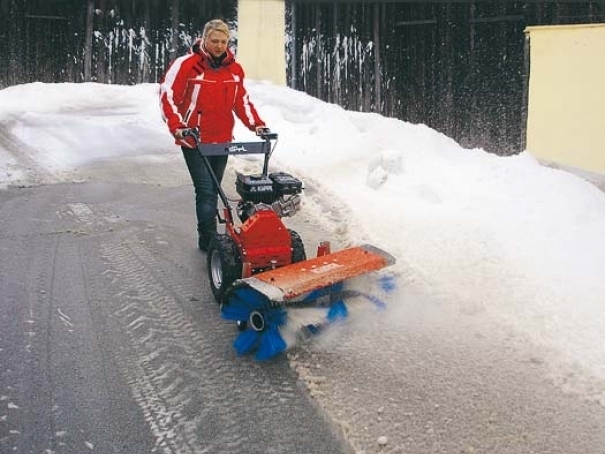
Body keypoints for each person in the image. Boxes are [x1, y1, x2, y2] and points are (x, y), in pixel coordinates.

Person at [159, 18, 268, 251]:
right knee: (206, 191)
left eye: (223, 41)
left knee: (216, 188)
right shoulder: (187, 64)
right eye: (214, 40)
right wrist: (178, 126)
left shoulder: (234, 69)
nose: (219, 45)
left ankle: (220, 236)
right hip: (194, 139)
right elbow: (167, 96)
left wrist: (257, 125)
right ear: (205, 39)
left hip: (222, 141)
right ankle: (208, 240)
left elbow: (242, 101)